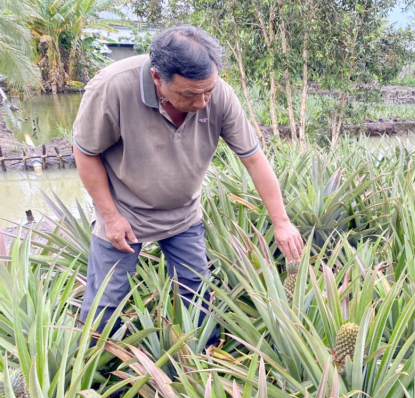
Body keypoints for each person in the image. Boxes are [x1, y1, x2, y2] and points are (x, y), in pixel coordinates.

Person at [74, 26, 304, 343]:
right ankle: (99, 374)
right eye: (189, 95)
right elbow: (86, 153)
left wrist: (282, 221)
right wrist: (111, 217)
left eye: (207, 91)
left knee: (198, 296)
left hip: (183, 214)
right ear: (157, 78)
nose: (201, 103)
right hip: (125, 212)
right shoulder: (112, 88)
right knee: (106, 305)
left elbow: (253, 159)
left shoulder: (217, 94)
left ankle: (201, 367)